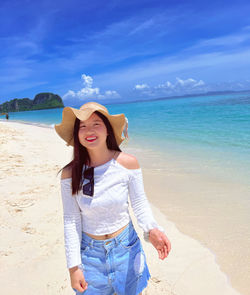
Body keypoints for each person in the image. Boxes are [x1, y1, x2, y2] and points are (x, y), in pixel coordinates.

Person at [55, 102, 171, 295]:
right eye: (82, 126)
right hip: (89, 255)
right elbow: (71, 220)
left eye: (96, 124)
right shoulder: (70, 173)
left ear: (108, 130)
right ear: (77, 134)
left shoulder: (127, 163)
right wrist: (74, 267)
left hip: (126, 247)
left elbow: (140, 203)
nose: (89, 130)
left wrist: (151, 229)